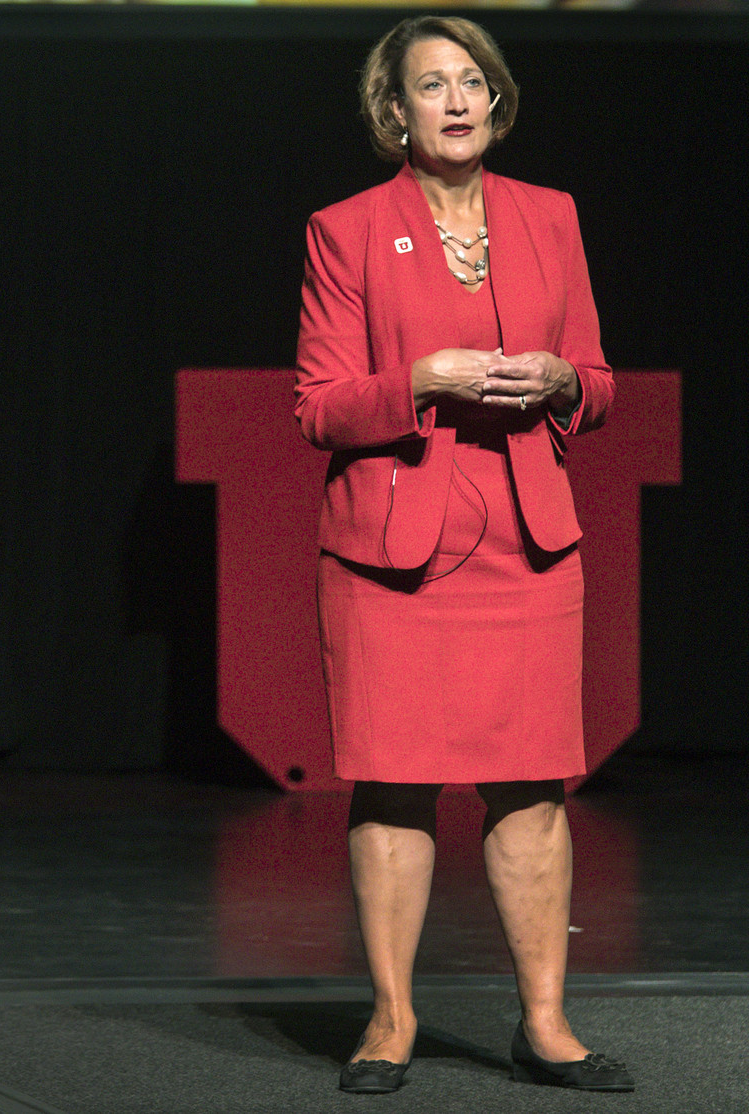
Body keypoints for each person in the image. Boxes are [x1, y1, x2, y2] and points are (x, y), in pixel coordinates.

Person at [292, 16, 634, 1095]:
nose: (453, 100)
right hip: (395, 550)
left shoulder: (550, 217)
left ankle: (545, 1024)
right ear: (391, 112)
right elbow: (317, 407)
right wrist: (420, 381)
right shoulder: (344, 229)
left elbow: (598, 376)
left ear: (494, 100)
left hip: (528, 541)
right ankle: (390, 1022)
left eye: (470, 82)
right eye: (428, 85)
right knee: (393, 784)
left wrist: (561, 382)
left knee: (530, 785)